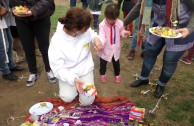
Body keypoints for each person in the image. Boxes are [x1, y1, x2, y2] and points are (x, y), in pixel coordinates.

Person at [124, 0, 194, 98]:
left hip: (181, 29)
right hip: (159, 26)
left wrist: (190, 28)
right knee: (150, 51)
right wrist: (124, 23)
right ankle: (143, 78)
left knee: (169, 60)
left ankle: (161, 84)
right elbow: (140, 5)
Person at [48, 7, 102, 106]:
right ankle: (73, 90)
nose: (87, 30)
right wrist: (73, 79)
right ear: (75, 29)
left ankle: (82, 91)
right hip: (68, 72)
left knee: (88, 101)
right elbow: (58, 68)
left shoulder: (83, 29)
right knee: (67, 97)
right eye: (85, 28)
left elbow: (91, 33)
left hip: (85, 70)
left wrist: (96, 38)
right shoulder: (57, 41)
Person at [11, 0, 57, 86]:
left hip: (41, 19)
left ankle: (49, 69)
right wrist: (14, 9)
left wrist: (33, 11)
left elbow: (47, 1)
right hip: (21, 20)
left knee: (44, 47)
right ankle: (33, 72)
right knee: (27, 47)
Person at [98, 3, 131, 83]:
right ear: (106, 16)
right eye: (109, 19)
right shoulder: (102, 25)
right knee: (103, 62)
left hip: (115, 48)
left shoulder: (120, 23)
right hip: (105, 48)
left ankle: (117, 74)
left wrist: (124, 33)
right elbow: (102, 36)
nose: (112, 21)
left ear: (117, 17)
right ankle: (102, 74)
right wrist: (100, 43)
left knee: (116, 63)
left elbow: (121, 32)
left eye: (114, 19)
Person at [0, 0, 25, 81]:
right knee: (3, 46)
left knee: (10, 41)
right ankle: (5, 71)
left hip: (4, 19)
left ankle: (11, 65)